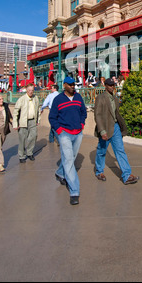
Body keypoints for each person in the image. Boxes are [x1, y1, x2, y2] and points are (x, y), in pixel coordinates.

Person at [49, 77, 87, 206]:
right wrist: (59, 130)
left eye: (73, 84)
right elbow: (52, 117)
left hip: (78, 132)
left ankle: (60, 172)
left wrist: (82, 124)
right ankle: (74, 192)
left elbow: (83, 112)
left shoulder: (78, 97)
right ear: (64, 85)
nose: (72, 86)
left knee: (70, 157)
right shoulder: (58, 99)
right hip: (64, 133)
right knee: (69, 160)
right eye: (70, 85)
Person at [94, 78, 139, 185]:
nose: (112, 87)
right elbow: (97, 115)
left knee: (120, 150)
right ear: (105, 86)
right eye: (109, 85)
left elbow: (116, 113)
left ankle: (127, 175)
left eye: (113, 85)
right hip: (105, 129)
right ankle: (99, 171)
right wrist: (102, 131)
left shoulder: (114, 98)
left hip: (116, 127)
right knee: (101, 151)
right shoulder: (101, 98)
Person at [13, 83, 41, 163]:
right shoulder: (22, 99)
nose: (31, 92)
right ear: (26, 90)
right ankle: (21, 155)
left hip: (32, 120)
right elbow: (16, 111)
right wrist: (15, 124)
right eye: (29, 90)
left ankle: (29, 152)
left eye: (32, 90)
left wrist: (38, 120)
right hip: (23, 121)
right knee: (22, 139)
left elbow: (38, 109)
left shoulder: (35, 98)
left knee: (33, 136)